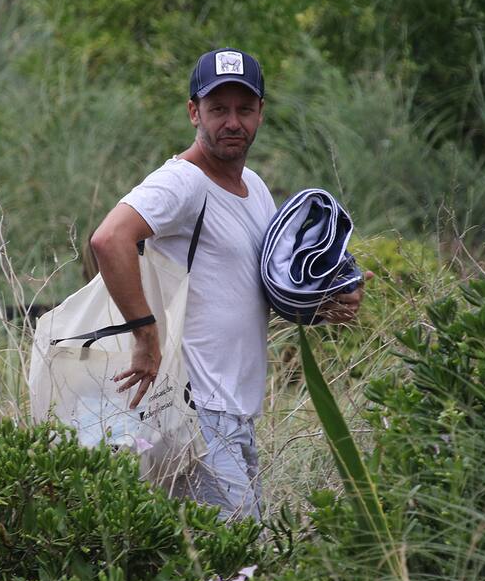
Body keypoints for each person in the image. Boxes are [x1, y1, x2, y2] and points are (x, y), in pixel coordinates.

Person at [88, 48, 370, 521]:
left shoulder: (253, 187)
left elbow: (263, 282)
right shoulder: (182, 183)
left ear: (260, 112)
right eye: (218, 109)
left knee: (220, 572)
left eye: (244, 109)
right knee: (244, 569)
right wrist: (145, 338)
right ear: (194, 112)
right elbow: (109, 239)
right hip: (197, 407)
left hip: (236, 411)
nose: (232, 122)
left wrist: (327, 300)